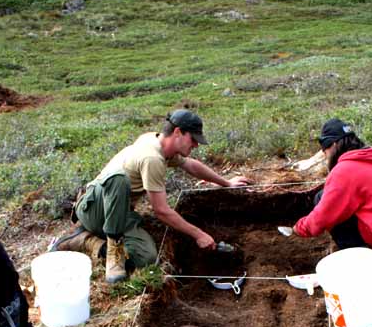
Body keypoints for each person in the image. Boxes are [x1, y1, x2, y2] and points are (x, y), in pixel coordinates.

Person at [52, 109, 251, 283]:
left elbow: (190, 165)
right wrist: (199, 235)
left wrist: (226, 183)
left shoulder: (158, 141)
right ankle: (112, 250)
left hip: (120, 212)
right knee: (119, 179)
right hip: (95, 207)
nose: (196, 145)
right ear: (178, 132)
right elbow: (161, 211)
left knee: (145, 258)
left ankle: (85, 240)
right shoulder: (152, 158)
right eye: (193, 139)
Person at [293, 118, 372, 255]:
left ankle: (362, 254)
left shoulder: (345, 170)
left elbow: (324, 214)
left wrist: (300, 228)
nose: (325, 155)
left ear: (334, 144)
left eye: (324, 149)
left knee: (322, 199)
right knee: (331, 198)